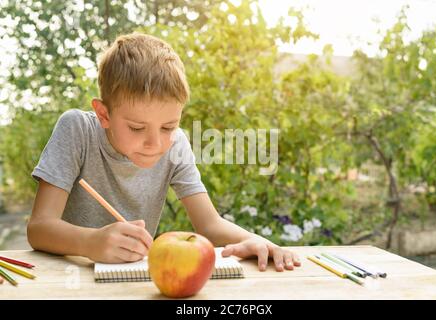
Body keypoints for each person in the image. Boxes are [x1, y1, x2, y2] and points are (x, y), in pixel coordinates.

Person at [28, 32, 301, 272]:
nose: (155, 143)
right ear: (104, 114)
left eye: (168, 126)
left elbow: (209, 224)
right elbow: (39, 228)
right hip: (69, 281)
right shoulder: (78, 130)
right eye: (136, 128)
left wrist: (257, 242)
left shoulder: (176, 144)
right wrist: (89, 242)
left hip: (135, 280)